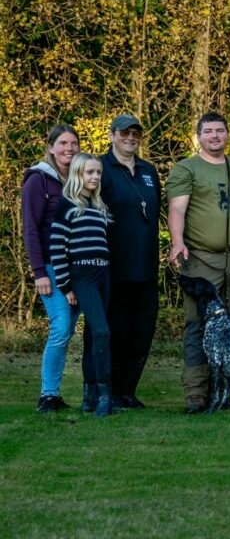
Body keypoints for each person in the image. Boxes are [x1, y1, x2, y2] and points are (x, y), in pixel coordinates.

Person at [167, 112, 230, 414]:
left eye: (220, 130)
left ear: (228, 134)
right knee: (198, 325)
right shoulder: (187, 168)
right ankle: (196, 394)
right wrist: (177, 241)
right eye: (208, 131)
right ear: (199, 136)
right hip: (201, 258)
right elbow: (177, 208)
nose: (215, 136)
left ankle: (223, 395)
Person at [98, 114, 161, 409]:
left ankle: (127, 392)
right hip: (113, 267)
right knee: (115, 332)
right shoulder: (100, 168)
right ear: (112, 135)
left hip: (146, 267)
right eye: (124, 133)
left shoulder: (149, 171)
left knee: (141, 332)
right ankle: (108, 391)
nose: (130, 138)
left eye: (135, 134)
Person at [49, 153, 115, 417]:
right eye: (90, 172)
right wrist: (66, 286)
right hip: (82, 275)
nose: (95, 177)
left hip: (103, 274)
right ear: (78, 173)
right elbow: (57, 248)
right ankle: (105, 396)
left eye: (98, 172)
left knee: (93, 334)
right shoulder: (66, 205)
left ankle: (89, 397)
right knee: (102, 332)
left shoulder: (99, 206)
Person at [22, 125, 81, 413]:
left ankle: (55, 395)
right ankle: (47, 395)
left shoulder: (79, 180)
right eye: (63, 143)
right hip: (51, 267)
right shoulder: (39, 181)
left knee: (67, 330)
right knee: (60, 327)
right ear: (51, 147)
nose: (69, 148)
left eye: (74, 143)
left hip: (78, 268)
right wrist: (39, 272)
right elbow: (30, 228)